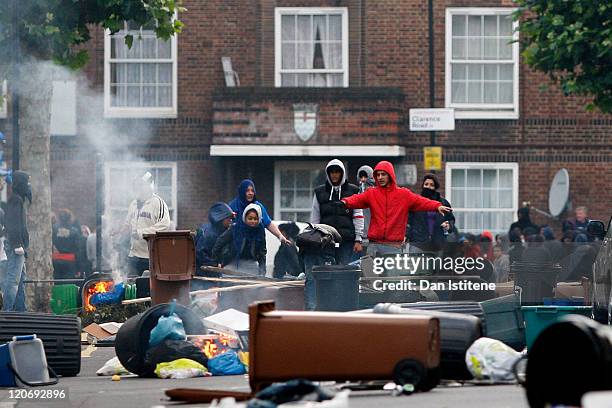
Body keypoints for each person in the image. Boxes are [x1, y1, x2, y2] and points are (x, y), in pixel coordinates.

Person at [337, 161, 452, 256]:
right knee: (370, 281)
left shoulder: (403, 194)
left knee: (391, 282)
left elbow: (421, 201)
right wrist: (345, 202)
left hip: (393, 247)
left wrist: (437, 206)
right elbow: (357, 199)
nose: (380, 177)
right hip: (374, 246)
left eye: (383, 174)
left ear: (390, 175)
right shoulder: (371, 193)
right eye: (378, 175)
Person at [311, 159, 364, 265]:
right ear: (328, 173)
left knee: (345, 271)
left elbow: (358, 215)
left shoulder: (353, 190)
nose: (334, 175)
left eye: (337, 172)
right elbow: (315, 217)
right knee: (327, 272)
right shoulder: (319, 192)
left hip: (347, 241)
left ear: (342, 173)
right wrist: (315, 238)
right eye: (332, 172)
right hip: (326, 241)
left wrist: (358, 239)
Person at [124, 172, 171, 277]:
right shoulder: (134, 203)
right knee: (131, 286)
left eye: (141, 185)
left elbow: (164, 225)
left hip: (150, 256)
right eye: (137, 185)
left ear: (150, 186)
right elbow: (127, 224)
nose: (138, 188)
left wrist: (142, 233)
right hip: (133, 255)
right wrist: (118, 230)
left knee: (146, 288)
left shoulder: (158, 203)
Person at [229, 179, 290, 246]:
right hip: (236, 246)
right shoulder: (233, 206)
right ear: (242, 191)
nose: (250, 193)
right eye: (247, 190)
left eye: (252, 190)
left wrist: (280, 236)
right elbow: (226, 226)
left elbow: (268, 223)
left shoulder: (258, 207)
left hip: (254, 245)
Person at [2, 171, 31, 311]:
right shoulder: (16, 199)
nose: (29, 185)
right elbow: (13, 224)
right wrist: (17, 244)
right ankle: (7, 311)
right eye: (27, 181)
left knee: (20, 280)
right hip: (16, 245)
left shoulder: (17, 199)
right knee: (13, 279)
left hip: (18, 245)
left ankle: (20, 311)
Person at [213, 203, 267, 277]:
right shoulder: (235, 228)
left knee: (252, 285)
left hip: (251, 263)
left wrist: (262, 272)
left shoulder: (260, 231)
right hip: (232, 262)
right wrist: (217, 261)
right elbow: (220, 242)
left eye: (256, 219)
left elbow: (262, 253)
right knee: (228, 284)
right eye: (250, 218)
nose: (253, 221)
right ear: (245, 218)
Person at [406, 174, 455, 253]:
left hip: (437, 244)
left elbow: (451, 220)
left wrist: (448, 225)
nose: (428, 187)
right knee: (417, 265)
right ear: (422, 186)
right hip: (417, 243)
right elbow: (408, 221)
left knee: (436, 265)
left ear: (435, 187)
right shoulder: (416, 202)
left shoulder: (443, 203)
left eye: (431, 185)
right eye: (426, 184)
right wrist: (406, 235)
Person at [195, 202, 235, 271]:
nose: (230, 221)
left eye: (231, 218)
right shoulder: (208, 233)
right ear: (220, 218)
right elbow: (200, 253)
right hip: (203, 273)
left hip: (215, 271)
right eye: (228, 218)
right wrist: (214, 264)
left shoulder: (225, 232)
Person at [52, 209, 81, 280]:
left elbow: (53, 241)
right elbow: (77, 249)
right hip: (70, 260)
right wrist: (78, 268)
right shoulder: (75, 231)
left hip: (56, 259)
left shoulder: (54, 229)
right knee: (68, 282)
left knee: (57, 281)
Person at [356, 165, 375, 248]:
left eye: (365, 176)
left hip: (373, 237)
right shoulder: (356, 193)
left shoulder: (376, 194)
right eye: (361, 177)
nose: (363, 179)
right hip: (359, 238)